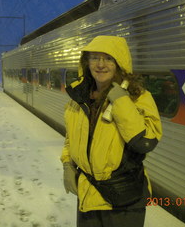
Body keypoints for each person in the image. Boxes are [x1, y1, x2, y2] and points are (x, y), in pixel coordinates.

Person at [61, 35, 162, 227]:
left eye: (108, 58)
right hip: (89, 193)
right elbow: (70, 138)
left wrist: (121, 102)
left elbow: (145, 141)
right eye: (94, 57)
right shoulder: (79, 97)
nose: (100, 64)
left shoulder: (138, 97)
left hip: (124, 197)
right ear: (86, 62)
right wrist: (67, 165)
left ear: (119, 63)